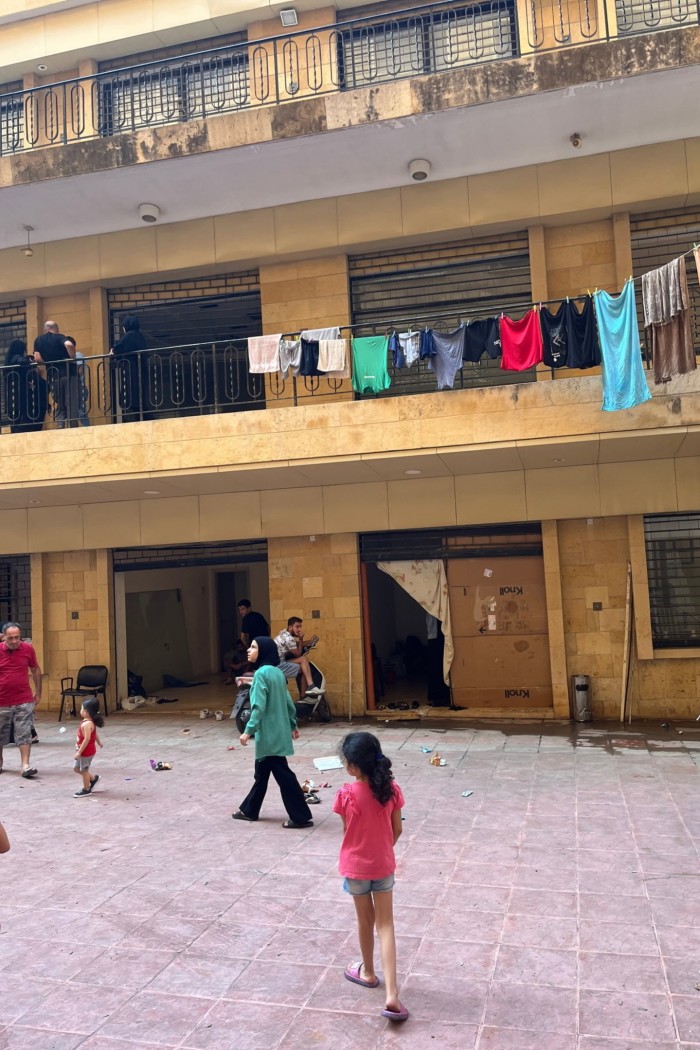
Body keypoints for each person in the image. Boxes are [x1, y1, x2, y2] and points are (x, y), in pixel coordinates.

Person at [333, 731, 408, 1023]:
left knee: (365, 921)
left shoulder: (345, 794)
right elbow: (397, 830)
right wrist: (381, 853)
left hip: (355, 869)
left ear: (351, 766)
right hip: (383, 865)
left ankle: (367, 972)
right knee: (386, 925)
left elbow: (347, 833)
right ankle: (392, 995)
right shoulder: (391, 790)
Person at [232, 636, 313, 829]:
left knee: (283, 775)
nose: (249, 651)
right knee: (262, 775)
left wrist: (247, 731)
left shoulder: (261, 674)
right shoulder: (277, 673)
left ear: (264, 651)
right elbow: (287, 703)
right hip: (278, 734)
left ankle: (300, 816)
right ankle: (249, 810)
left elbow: (258, 707)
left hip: (267, 736)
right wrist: (293, 724)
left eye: (253, 647)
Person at [0, 622, 42, 778]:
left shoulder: (27, 649)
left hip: (23, 698)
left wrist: (38, 692)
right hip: (1, 700)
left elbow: (35, 669)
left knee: (24, 732)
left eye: (17, 637)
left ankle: (25, 765)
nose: (14, 641)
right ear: (3, 637)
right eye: (10, 638)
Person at [33, 321, 78, 427]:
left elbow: (37, 359)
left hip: (53, 375)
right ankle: (73, 425)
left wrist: (49, 363)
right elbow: (69, 344)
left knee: (59, 401)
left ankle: (60, 424)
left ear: (45, 329)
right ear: (56, 328)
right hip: (68, 373)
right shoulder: (59, 337)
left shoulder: (38, 340)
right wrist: (72, 358)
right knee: (71, 400)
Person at [111, 315, 149, 422]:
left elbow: (119, 349)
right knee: (138, 394)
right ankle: (141, 416)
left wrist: (113, 351)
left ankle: (141, 417)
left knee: (132, 394)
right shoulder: (138, 335)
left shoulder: (130, 336)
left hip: (133, 369)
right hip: (140, 369)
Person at [274, 616, 322, 697]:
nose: (299, 629)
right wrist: (300, 639)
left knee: (304, 669)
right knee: (303, 660)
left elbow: (295, 644)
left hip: (278, 662)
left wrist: (309, 642)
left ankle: (304, 696)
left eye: (300, 627)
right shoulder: (289, 638)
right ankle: (311, 687)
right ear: (290, 627)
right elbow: (298, 654)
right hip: (279, 665)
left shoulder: (284, 633)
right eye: (297, 627)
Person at [4, 339, 45, 433]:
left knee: (14, 421)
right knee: (21, 421)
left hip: (11, 396)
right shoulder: (16, 358)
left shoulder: (8, 360)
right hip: (19, 395)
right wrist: (32, 364)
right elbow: (23, 361)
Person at [73, 697, 103, 797]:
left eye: (81, 708)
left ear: (86, 712)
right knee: (77, 768)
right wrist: (99, 742)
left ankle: (86, 789)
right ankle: (94, 778)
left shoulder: (87, 724)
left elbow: (87, 739)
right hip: (84, 751)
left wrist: (79, 752)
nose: (80, 710)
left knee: (84, 770)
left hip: (86, 752)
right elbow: (95, 734)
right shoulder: (88, 722)